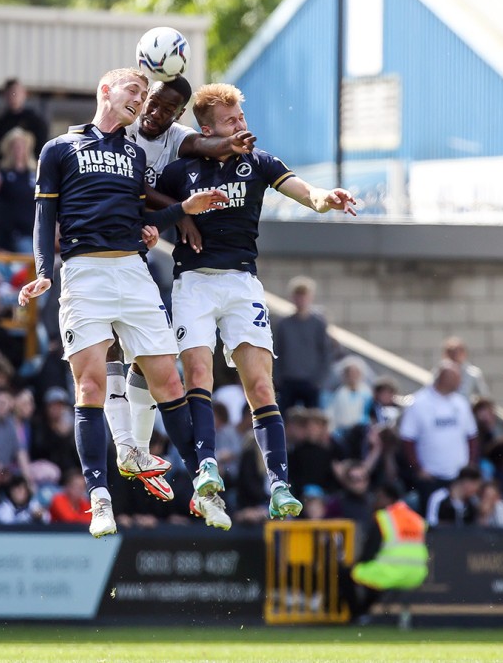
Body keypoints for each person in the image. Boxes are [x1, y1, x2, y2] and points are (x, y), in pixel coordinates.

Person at [18, 68, 229, 537]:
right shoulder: (59, 148)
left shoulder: (134, 154)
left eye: (142, 93)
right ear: (105, 92)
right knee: (89, 387)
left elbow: (143, 214)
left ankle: (202, 485)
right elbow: (44, 214)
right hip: (84, 273)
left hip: (133, 272)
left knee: (168, 383)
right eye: (133, 91)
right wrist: (41, 271)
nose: (139, 99)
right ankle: (99, 499)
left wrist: (180, 212)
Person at [154, 82, 356, 522]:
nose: (240, 126)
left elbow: (306, 193)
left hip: (243, 285)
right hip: (194, 283)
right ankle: (206, 464)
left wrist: (327, 198)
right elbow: (145, 198)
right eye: (230, 121)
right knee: (199, 373)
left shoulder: (259, 163)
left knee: (261, 386)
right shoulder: (182, 169)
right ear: (207, 130)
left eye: (241, 118)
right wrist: (182, 212)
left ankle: (280, 486)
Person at [102, 75, 257, 505]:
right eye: (153, 101)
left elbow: (205, 147)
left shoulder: (178, 139)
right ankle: (124, 451)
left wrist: (231, 144)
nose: (156, 112)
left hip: (136, 248)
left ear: (179, 115)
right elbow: (129, 188)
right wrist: (179, 212)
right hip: (97, 249)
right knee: (109, 351)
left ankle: (138, 450)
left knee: (155, 356)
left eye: (168, 109)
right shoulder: (120, 128)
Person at [340, 483, 428, 622]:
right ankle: (364, 613)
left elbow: (370, 552)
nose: (376, 501)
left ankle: (358, 615)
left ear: (388, 498)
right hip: (417, 574)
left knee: (346, 574)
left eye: (379, 497)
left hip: (391, 571)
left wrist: (355, 564)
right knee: (373, 580)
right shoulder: (416, 518)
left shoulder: (384, 517)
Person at [398, 360, 479, 510]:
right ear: (444, 378)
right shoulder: (419, 403)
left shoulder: (461, 403)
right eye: (456, 378)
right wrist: (417, 468)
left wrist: (471, 464)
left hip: (457, 476)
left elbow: (471, 436)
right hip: (431, 476)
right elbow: (407, 439)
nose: (460, 382)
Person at [274, 276, 331, 410]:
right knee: (286, 418)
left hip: (311, 380)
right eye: (298, 296)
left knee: (312, 418)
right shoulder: (283, 324)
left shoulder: (318, 324)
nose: (301, 300)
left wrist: (320, 380)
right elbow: (277, 351)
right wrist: (278, 378)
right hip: (288, 380)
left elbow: (325, 352)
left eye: (304, 296)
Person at [0, 78, 47, 163]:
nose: (14, 96)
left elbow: (42, 148)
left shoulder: (35, 121)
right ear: (5, 96)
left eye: (16, 92)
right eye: (10, 93)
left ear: (24, 94)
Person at [441, 336, 489, 401]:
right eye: (451, 351)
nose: (454, 355)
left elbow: (483, 397)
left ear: (464, 353)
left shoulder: (473, 374)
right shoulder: (439, 373)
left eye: (458, 351)